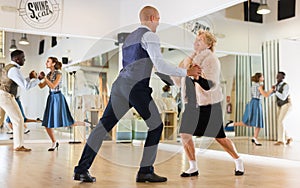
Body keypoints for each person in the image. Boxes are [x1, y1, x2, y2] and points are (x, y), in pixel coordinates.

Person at [73, 5, 201, 183]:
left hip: (120, 85)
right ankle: (145, 171)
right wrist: (188, 72)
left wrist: (171, 80)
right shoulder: (151, 36)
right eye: (158, 19)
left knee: (102, 127)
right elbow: (161, 64)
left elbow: (152, 66)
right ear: (153, 18)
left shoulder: (129, 39)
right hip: (136, 87)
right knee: (156, 126)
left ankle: (81, 169)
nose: (158, 23)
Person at [171, 30, 244, 177]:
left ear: (209, 44)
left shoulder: (212, 60)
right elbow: (178, 79)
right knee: (185, 135)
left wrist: (196, 76)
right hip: (192, 104)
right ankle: (193, 166)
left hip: (209, 104)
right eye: (196, 40)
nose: (196, 42)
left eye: (200, 40)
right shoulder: (188, 60)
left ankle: (238, 160)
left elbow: (209, 85)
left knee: (220, 138)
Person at [0, 50, 44, 151]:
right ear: (17, 59)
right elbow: (26, 86)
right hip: (6, 96)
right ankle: (19, 146)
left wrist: (30, 77)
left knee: (9, 120)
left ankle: (18, 145)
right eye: (23, 57)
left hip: (3, 95)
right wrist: (39, 79)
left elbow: (20, 81)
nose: (24, 59)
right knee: (18, 120)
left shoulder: (9, 68)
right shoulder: (14, 70)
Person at [38, 57, 76, 151]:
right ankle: (54, 142)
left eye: (48, 61)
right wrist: (38, 78)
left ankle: (81, 129)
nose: (46, 63)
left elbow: (53, 85)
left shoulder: (59, 73)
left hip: (58, 97)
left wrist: (45, 78)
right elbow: (41, 86)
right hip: (51, 97)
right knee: (47, 122)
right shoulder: (48, 74)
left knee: (64, 119)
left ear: (53, 63)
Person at [226, 73, 274, 146]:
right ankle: (232, 124)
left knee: (254, 122)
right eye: (262, 76)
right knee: (255, 122)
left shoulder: (254, 85)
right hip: (256, 103)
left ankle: (254, 138)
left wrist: (271, 92)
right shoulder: (259, 86)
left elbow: (264, 94)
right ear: (259, 78)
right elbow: (265, 95)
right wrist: (271, 90)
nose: (263, 77)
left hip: (253, 102)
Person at [273, 71, 292, 145]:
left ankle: (281, 141)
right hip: (280, 105)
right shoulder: (276, 86)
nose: (277, 77)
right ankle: (288, 138)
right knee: (280, 121)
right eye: (277, 76)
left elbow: (283, 97)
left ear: (283, 77)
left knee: (281, 121)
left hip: (286, 104)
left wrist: (275, 92)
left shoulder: (286, 85)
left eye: (279, 76)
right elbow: (273, 94)